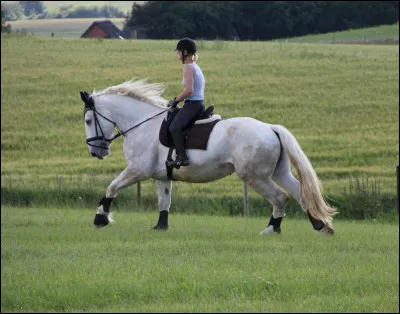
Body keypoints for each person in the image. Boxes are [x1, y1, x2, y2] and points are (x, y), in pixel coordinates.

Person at [167, 37, 205, 168]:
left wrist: (176, 100)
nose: (177, 54)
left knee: (174, 127)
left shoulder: (188, 68)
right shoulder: (195, 66)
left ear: (184, 53)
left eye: (178, 51)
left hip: (192, 105)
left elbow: (189, 90)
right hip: (198, 104)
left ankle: (182, 158)